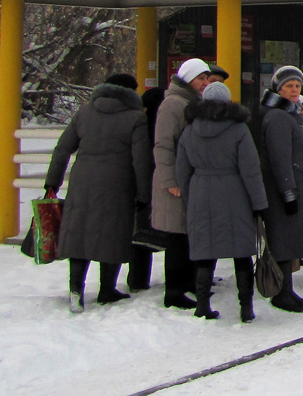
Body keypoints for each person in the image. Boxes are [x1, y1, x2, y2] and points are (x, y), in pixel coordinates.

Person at [44, 73, 152, 313]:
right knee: (112, 232)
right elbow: (141, 160)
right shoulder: (135, 118)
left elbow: (62, 149)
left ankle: (75, 289)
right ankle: (107, 290)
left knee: (79, 233)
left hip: (82, 181)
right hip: (118, 182)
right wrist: (144, 194)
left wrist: (52, 182)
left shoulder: (84, 113)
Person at [176, 81, 267, 322]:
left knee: (205, 251)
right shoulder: (238, 129)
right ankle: (245, 307)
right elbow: (251, 170)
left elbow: (181, 170)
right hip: (234, 193)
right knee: (241, 252)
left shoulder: (190, 129)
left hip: (200, 190)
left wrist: (190, 195)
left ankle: (202, 304)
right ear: (227, 101)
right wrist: (259, 203)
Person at [257, 65, 303, 312]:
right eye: (288, 86)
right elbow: (279, 158)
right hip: (284, 190)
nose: (294, 90)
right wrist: (288, 191)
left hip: (295, 187)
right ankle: (282, 293)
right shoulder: (278, 117)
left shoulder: (290, 114)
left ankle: (287, 290)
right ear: (278, 88)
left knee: (290, 241)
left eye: (297, 86)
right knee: (283, 241)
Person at [152, 57, 212, 310]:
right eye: (200, 79)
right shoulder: (173, 105)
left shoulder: (190, 103)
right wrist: (171, 180)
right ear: (188, 79)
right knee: (176, 237)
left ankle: (186, 283)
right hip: (175, 183)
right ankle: (174, 292)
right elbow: (163, 145)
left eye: (206, 79)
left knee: (187, 235)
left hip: (189, 180)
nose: (204, 84)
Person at [128, 85, 164, 291]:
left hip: (138, 182)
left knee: (139, 235)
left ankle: (138, 279)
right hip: (155, 181)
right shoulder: (161, 123)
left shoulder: (139, 123)